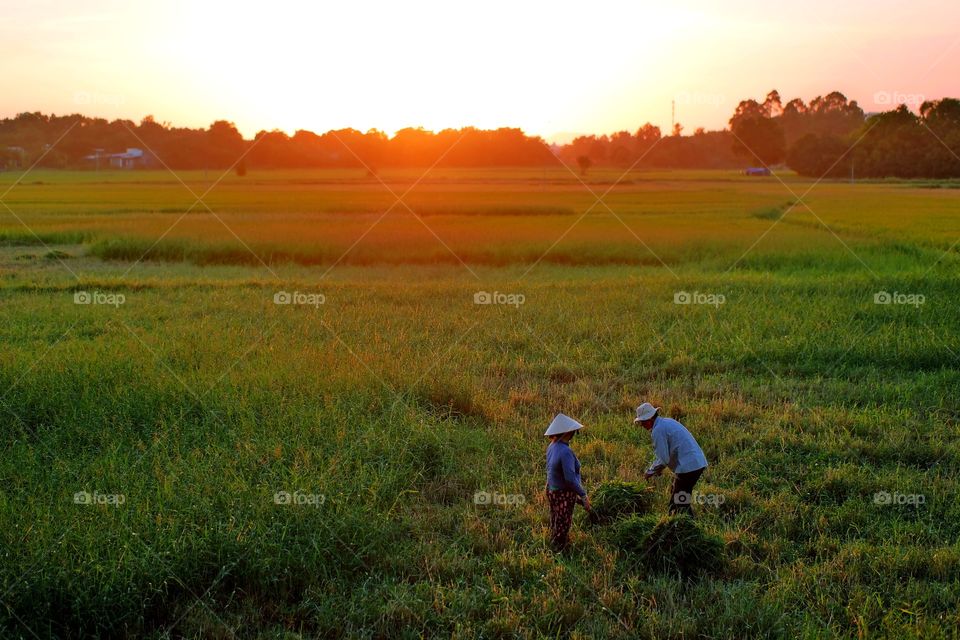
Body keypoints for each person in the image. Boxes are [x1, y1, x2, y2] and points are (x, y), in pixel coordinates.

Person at [634, 402, 708, 517]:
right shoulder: (667, 422)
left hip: (688, 467)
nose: (642, 426)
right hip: (696, 462)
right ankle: (686, 525)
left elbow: (663, 458)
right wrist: (658, 469)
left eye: (642, 423)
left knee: (678, 503)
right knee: (680, 497)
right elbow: (667, 455)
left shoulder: (657, 430)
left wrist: (650, 472)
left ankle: (681, 528)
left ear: (648, 420)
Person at [544, 413, 592, 552]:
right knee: (563, 523)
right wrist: (583, 496)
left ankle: (556, 543)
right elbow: (570, 479)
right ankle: (559, 551)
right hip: (563, 493)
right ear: (568, 433)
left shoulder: (551, 446)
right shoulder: (565, 452)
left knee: (556, 519)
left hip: (552, 489)